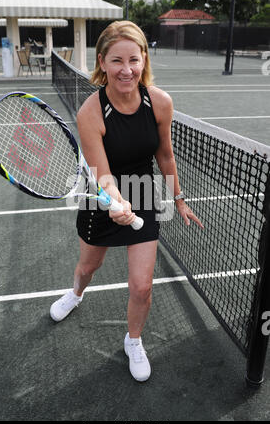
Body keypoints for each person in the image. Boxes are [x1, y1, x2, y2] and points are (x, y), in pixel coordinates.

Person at [50, 21, 203, 382]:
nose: (126, 69)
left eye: (134, 59)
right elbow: (102, 175)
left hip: (144, 195)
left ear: (144, 59)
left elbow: (165, 155)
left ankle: (133, 339)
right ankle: (75, 293)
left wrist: (178, 197)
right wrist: (116, 203)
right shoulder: (90, 111)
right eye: (117, 60)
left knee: (142, 286)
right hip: (102, 198)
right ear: (102, 62)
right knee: (88, 267)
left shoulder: (160, 102)